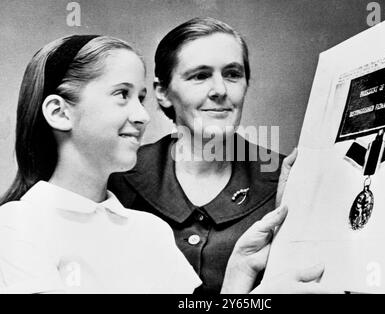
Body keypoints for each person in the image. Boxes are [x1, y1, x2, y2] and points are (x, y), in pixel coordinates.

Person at [0, 35, 318, 294]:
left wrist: (239, 271)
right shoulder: (16, 226)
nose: (142, 116)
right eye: (122, 95)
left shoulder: (149, 230)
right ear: (59, 112)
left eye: (140, 97)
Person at [108, 17, 299, 294]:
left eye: (232, 74)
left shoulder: (285, 177)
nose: (219, 90)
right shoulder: (117, 178)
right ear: (162, 92)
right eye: (200, 75)